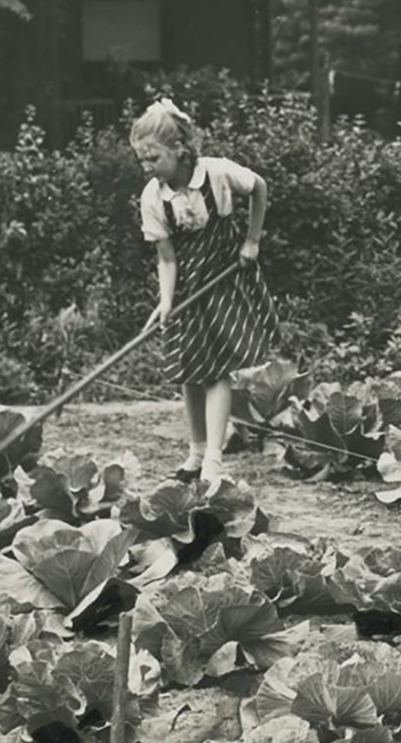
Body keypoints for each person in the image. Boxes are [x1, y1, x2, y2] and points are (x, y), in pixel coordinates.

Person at [131, 97, 278, 485]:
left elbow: (259, 187)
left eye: (154, 158)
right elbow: (166, 259)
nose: (147, 167)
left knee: (216, 371)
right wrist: (166, 303)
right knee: (189, 372)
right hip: (188, 287)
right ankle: (195, 452)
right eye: (142, 160)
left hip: (224, 279)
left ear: (178, 150)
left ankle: (214, 459)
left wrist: (252, 241)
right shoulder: (153, 197)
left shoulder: (216, 173)